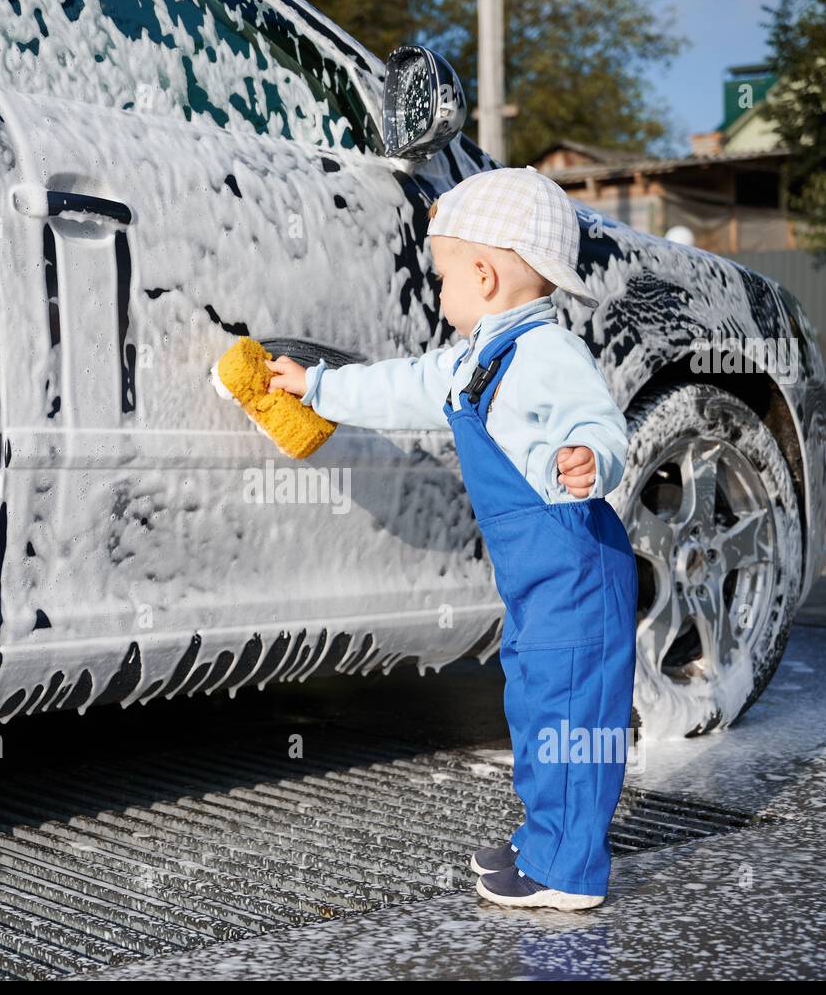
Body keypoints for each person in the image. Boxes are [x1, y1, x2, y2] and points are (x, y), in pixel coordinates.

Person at [265, 167, 639, 910]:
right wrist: (319, 389)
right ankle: (545, 837)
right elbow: (401, 386)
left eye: (441, 276)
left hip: (576, 566)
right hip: (536, 576)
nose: (437, 293)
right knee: (535, 702)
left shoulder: (549, 355)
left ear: (485, 275)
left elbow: (602, 423)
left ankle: (568, 870)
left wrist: (591, 458)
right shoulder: (472, 362)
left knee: (572, 716)